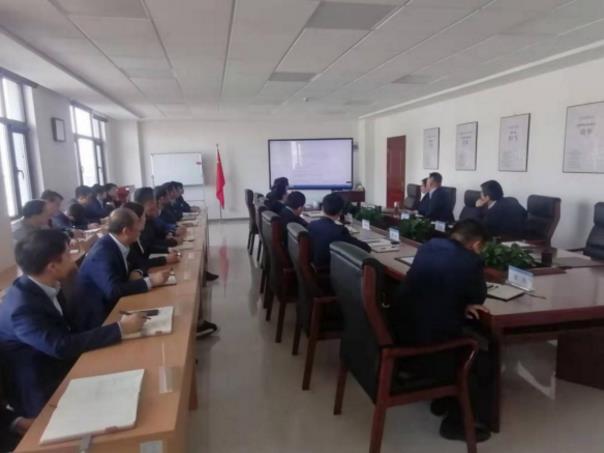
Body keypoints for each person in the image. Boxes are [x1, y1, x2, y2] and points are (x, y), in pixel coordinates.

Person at [0, 229, 146, 417]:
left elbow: (70, 328)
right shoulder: (22, 308)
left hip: (65, 363)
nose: (73, 258)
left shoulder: (46, 283)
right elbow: (60, 346)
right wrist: (120, 328)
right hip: (44, 387)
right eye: (68, 254)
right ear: (52, 267)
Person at [390, 219, 492, 442]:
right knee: (482, 357)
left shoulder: (429, 246)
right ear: (476, 244)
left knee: (446, 325)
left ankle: (443, 398)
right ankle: (456, 423)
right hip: (427, 345)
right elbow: (477, 298)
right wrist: (466, 302)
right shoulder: (471, 260)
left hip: (399, 331)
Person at [78, 208, 170, 323]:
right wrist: (150, 281)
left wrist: (137, 271)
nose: (141, 230)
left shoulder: (121, 241)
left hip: (118, 303)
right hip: (101, 315)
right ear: (126, 231)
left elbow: (139, 262)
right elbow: (113, 290)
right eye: (138, 228)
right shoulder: (102, 253)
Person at [308, 193, 371, 268]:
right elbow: (365, 248)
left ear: (322, 208)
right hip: (330, 270)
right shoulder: (340, 231)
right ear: (340, 211)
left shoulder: (312, 224)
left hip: (315, 266)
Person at [122, 201, 180, 272]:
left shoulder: (137, 233)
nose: (145, 219)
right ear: (137, 220)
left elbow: (147, 248)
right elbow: (138, 263)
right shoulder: (129, 239)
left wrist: (167, 250)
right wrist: (165, 259)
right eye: (144, 216)